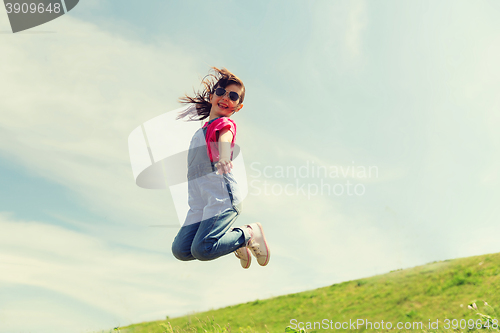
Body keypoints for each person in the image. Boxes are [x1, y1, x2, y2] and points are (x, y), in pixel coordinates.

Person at [171, 67, 270, 269]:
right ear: (211, 96)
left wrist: (224, 156)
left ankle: (247, 234)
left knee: (203, 249)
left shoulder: (223, 123)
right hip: (199, 205)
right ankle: (231, 240)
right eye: (221, 92)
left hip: (221, 199)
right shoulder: (201, 131)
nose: (226, 98)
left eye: (233, 96)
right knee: (181, 250)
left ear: (237, 107)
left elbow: (225, 137)